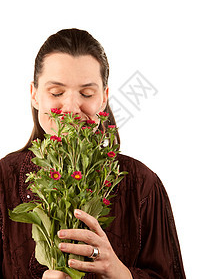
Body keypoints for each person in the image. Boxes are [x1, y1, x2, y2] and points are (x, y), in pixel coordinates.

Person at [0, 28, 186, 279]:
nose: (71, 108)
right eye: (56, 92)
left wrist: (120, 273)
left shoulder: (142, 185)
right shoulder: (3, 180)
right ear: (34, 95)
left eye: (87, 94)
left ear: (103, 98)